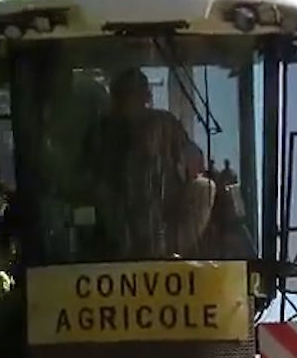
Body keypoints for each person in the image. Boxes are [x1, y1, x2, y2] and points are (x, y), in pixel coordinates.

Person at [86, 68, 217, 257]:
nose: (133, 99)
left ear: (146, 96)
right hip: (117, 219)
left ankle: (169, 254)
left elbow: (194, 158)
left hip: (165, 213)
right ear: (116, 97)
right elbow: (87, 179)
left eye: (138, 92)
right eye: (127, 93)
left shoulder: (165, 123)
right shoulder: (100, 132)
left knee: (205, 187)